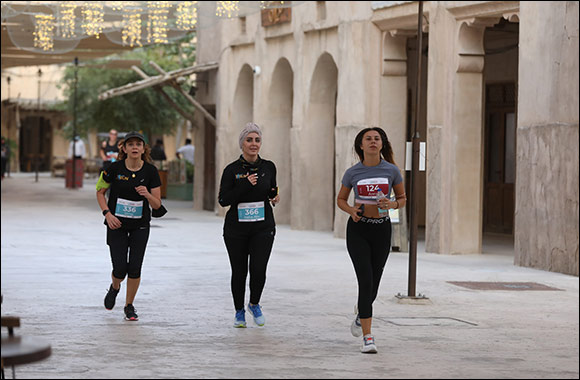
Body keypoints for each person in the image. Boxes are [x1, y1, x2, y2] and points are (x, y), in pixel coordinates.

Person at [337, 127, 407, 353]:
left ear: (382, 144)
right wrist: (351, 210)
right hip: (358, 231)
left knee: (374, 284)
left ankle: (361, 313)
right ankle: (368, 337)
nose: (373, 142)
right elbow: (341, 199)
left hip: (382, 231)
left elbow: (403, 198)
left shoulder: (392, 170)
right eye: (368, 139)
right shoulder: (352, 173)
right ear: (361, 145)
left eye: (377, 139)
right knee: (365, 280)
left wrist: (393, 204)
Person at [218, 123, 280, 328]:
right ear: (242, 144)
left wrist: (274, 196)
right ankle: (239, 312)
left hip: (263, 227)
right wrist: (245, 184)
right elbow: (223, 200)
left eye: (257, 140)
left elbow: (271, 190)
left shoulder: (268, 166)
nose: (254, 144)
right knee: (239, 270)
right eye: (249, 140)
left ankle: (254, 303)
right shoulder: (232, 170)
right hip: (237, 229)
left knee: (259, 268)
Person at [96, 131, 162, 321]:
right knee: (119, 269)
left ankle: (129, 305)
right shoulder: (113, 169)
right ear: (124, 148)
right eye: (130, 144)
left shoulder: (150, 171)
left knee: (135, 267)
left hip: (140, 226)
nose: (134, 147)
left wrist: (147, 195)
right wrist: (107, 214)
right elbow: (100, 193)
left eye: (138, 144)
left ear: (143, 149)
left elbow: (157, 204)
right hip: (116, 224)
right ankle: (115, 286)